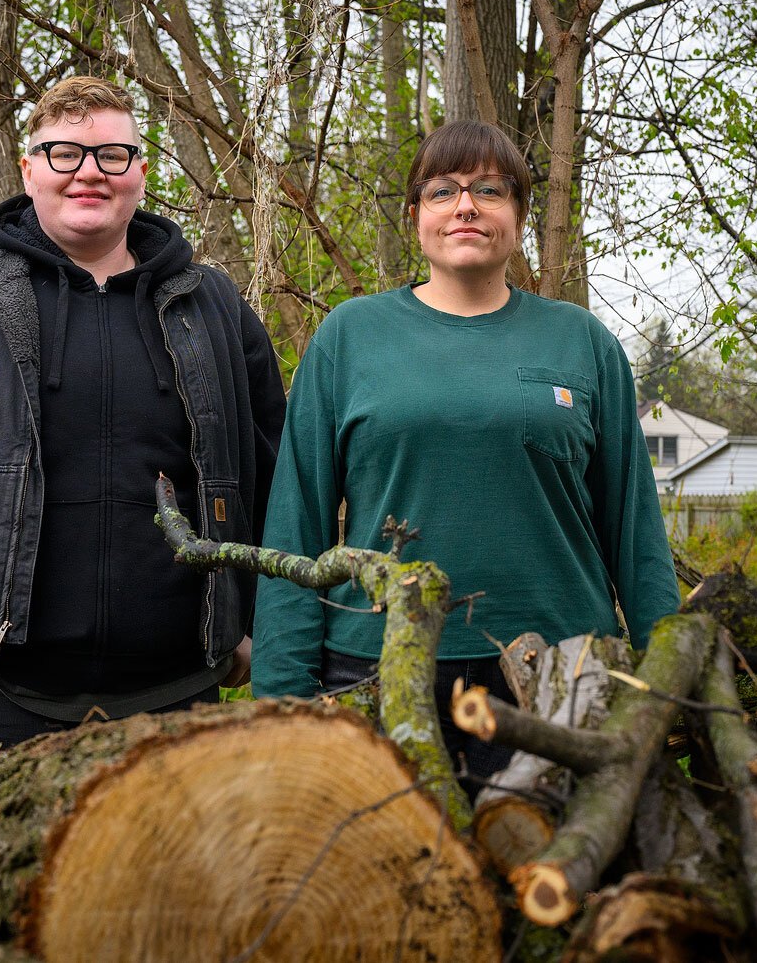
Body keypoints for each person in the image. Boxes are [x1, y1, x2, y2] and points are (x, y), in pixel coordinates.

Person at [0, 76, 285, 793]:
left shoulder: (213, 309)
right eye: (64, 153)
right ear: (29, 170)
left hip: (178, 693)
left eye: (111, 154)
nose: (88, 173)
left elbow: (271, 474)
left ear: (141, 170)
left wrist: (253, 619)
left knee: (171, 903)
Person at [251, 120, 678, 783]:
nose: (467, 206)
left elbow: (634, 529)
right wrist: (283, 697)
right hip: (377, 670)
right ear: (415, 215)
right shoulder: (350, 337)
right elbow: (296, 525)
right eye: (444, 191)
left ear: (519, 215)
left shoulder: (581, 343)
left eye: (490, 190)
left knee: (552, 874)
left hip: (560, 677)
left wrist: (666, 676)